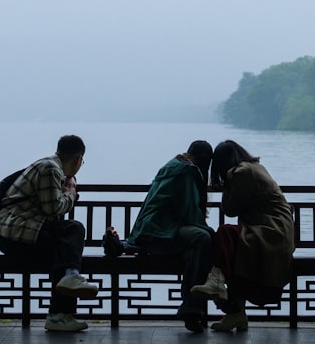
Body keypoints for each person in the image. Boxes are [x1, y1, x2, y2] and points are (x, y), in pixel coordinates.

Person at [103, 140, 214, 332]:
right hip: (160, 233)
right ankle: (191, 309)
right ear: (205, 160)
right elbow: (190, 213)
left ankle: (126, 247)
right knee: (204, 238)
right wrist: (211, 231)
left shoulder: (172, 165)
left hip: (150, 230)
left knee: (192, 254)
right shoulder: (188, 173)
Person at [0, 134, 99, 332]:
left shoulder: (47, 166)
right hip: (16, 234)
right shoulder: (51, 169)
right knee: (73, 229)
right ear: (78, 159)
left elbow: (48, 216)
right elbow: (53, 209)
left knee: (64, 251)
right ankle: (60, 309)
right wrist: (71, 193)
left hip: (20, 234)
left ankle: (61, 311)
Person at [189, 140, 295, 332]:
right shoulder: (254, 167)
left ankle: (217, 282)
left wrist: (225, 184)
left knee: (225, 233)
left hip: (271, 231)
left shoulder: (241, 172)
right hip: (275, 231)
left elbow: (230, 209)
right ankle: (235, 313)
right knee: (231, 249)